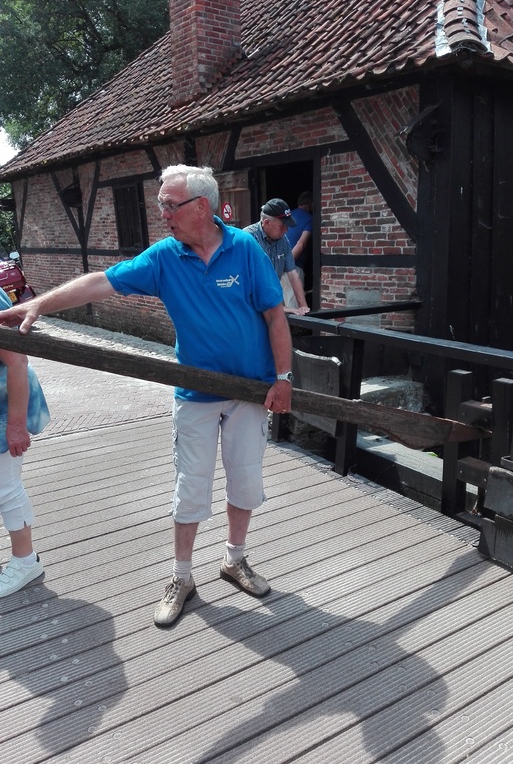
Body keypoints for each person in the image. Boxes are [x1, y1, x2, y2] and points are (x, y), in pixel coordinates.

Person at [0, 165, 294, 628]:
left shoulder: (246, 251)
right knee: (190, 485)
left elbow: (277, 317)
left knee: (246, 480)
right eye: (160, 205)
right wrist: (40, 303)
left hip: (250, 391)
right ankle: (182, 576)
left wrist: (284, 377)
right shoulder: (164, 257)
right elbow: (102, 281)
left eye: (168, 205)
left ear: (202, 207)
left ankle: (235, 560)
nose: (161, 214)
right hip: (196, 393)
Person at [0, 287, 49, 598]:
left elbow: (16, 360)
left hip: (4, 406)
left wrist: (16, 425)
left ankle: (25, 560)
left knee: (5, 485)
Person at [244, 199, 310, 315]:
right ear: (266, 223)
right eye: (282, 226)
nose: (286, 230)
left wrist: (303, 306)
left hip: (272, 302)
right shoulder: (248, 239)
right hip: (250, 308)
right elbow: (251, 281)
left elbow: (293, 275)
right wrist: (282, 308)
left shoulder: (283, 240)